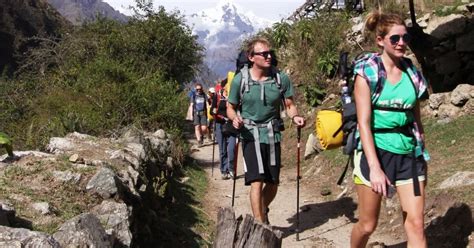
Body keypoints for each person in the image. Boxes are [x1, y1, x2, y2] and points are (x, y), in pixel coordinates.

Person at [350, 11, 429, 248]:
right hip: (376, 151)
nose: (401, 43)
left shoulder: (412, 72)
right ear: (380, 40)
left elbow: (414, 111)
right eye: (395, 39)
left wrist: (421, 141)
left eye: (405, 38)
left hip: (408, 152)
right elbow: (363, 123)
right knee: (367, 225)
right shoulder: (368, 73)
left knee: (416, 224)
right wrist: (375, 168)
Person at [227, 37, 305, 224]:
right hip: (249, 134)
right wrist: (234, 118)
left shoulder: (280, 79)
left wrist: (295, 116)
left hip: (272, 134)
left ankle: (262, 209)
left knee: (272, 182)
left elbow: (290, 104)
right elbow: (231, 106)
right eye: (263, 54)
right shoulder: (240, 80)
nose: (269, 56)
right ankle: (259, 225)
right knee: (257, 180)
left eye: (270, 53)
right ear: (251, 57)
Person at [213, 78, 237, 180]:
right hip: (220, 124)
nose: (227, 88)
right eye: (225, 86)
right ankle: (224, 171)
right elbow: (212, 110)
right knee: (222, 150)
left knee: (231, 149)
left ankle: (231, 169)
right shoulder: (217, 96)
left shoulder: (235, 97)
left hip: (232, 126)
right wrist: (215, 113)